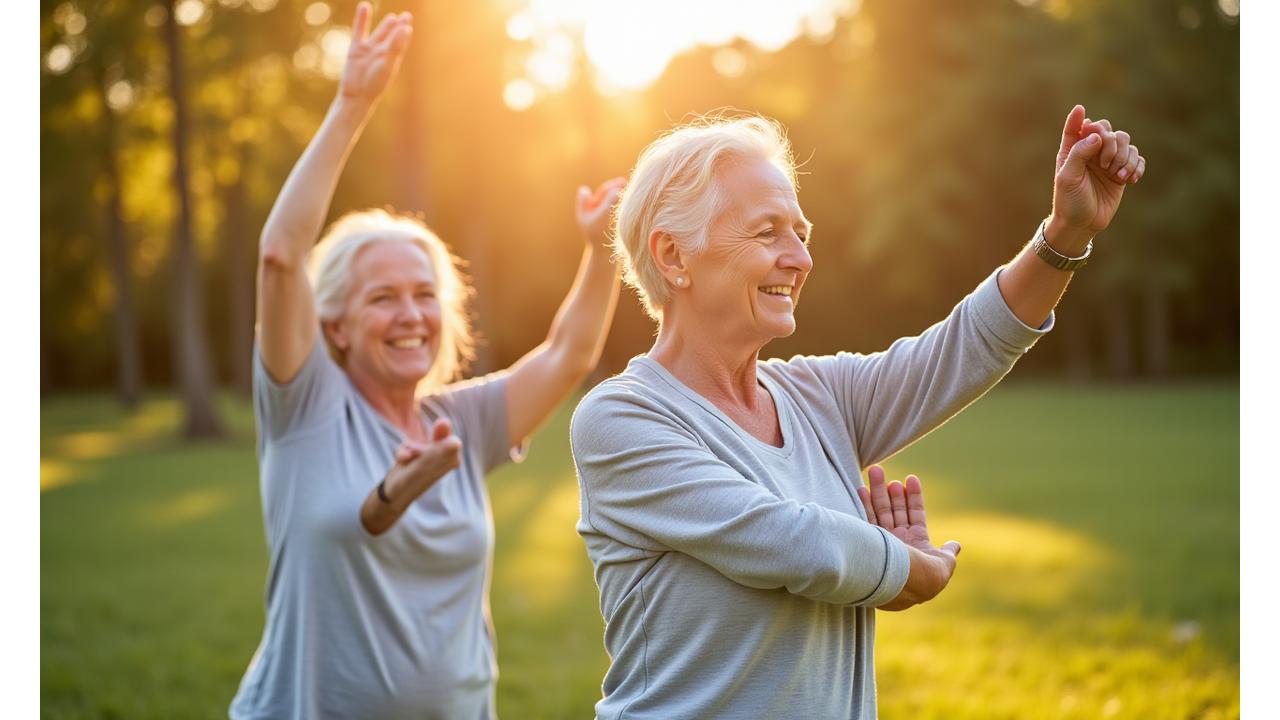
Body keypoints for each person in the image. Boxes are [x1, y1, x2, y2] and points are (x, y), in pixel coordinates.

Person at [570, 108, 1144, 718]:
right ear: (673, 256)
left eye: (801, 234)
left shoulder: (820, 397)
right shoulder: (621, 419)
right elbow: (786, 542)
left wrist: (1064, 235)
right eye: (768, 233)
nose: (800, 258)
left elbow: (964, 347)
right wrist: (907, 571)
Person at [229, 4, 623, 718]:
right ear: (337, 327)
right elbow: (282, 255)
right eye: (383, 298)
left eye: (424, 295)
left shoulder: (462, 422)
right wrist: (353, 106)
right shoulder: (305, 408)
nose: (411, 315)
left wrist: (600, 252)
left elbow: (570, 353)